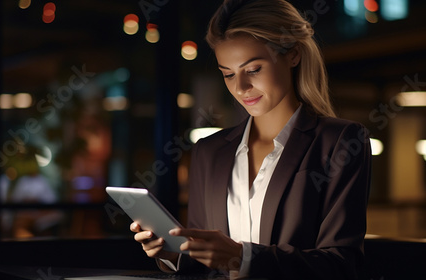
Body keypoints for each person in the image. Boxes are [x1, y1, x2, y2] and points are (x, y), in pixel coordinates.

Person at [131, 0, 371, 279]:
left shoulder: (340, 141)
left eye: (253, 70)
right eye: (228, 74)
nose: (240, 88)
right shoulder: (209, 151)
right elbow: (203, 265)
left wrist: (242, 257)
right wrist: (173, 254)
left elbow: (341, 264)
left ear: (293, 55)